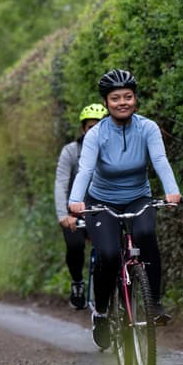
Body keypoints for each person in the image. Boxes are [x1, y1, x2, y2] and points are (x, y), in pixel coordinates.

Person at [68, 69, 182, 349]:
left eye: (128, 97)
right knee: (107, 254)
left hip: (137, 198)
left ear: (135, 100)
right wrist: (75, 200)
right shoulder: (96, 134)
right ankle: (104, 312)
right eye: (115, 98)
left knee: (145, 236)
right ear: (106, 103)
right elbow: (85, 169)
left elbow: (159, 160)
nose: (122, 102)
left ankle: (153, 303)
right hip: (101, 201)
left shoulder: (148, 128)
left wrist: (172, 190)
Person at [55, 103, 108, 309]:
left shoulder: (112, 151)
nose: (93, 132)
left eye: (99, 127)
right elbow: (60, 183)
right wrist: (63, 215)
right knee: (75, 245)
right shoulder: (70, 151)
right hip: (74, 211)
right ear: (83, 129)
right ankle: (77, 281)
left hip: (103, 208)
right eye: (90, 127)